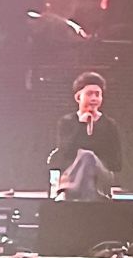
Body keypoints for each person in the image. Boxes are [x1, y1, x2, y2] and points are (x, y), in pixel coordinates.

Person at [49, 71, 122, 201]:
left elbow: (116, 163)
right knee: (85, 158)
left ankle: (67, 190)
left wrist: (92, 161)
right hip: (73, 174)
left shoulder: (109, 124)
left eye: (97, 94)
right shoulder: (66, 122)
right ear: (78, 97)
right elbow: (64, 154)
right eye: (89, 94)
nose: (94, 98)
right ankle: (88, 198)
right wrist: (81, 125)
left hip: (101, 175)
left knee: (87, 156)